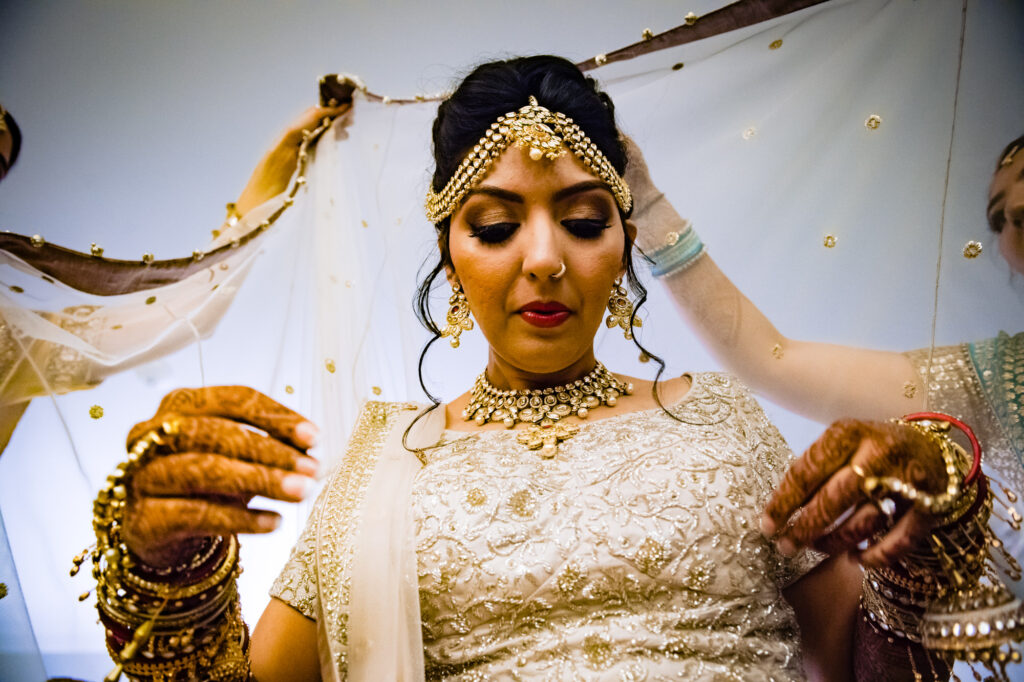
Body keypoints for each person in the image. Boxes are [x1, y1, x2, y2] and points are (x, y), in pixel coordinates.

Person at [86, 57, 1009, 682]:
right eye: (493, 226)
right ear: (450, 256)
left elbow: (863, 670)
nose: (543, 260)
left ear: (623, 246)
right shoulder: (385, 456)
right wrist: (171, 570)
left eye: (581, 219)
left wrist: (927, 529)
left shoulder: (722, 420)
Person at [624, 131, 1023, 530]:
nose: (1016, 211)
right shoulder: (1000, 378)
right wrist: (646, 206)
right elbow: (771, 360)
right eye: (996, 218)